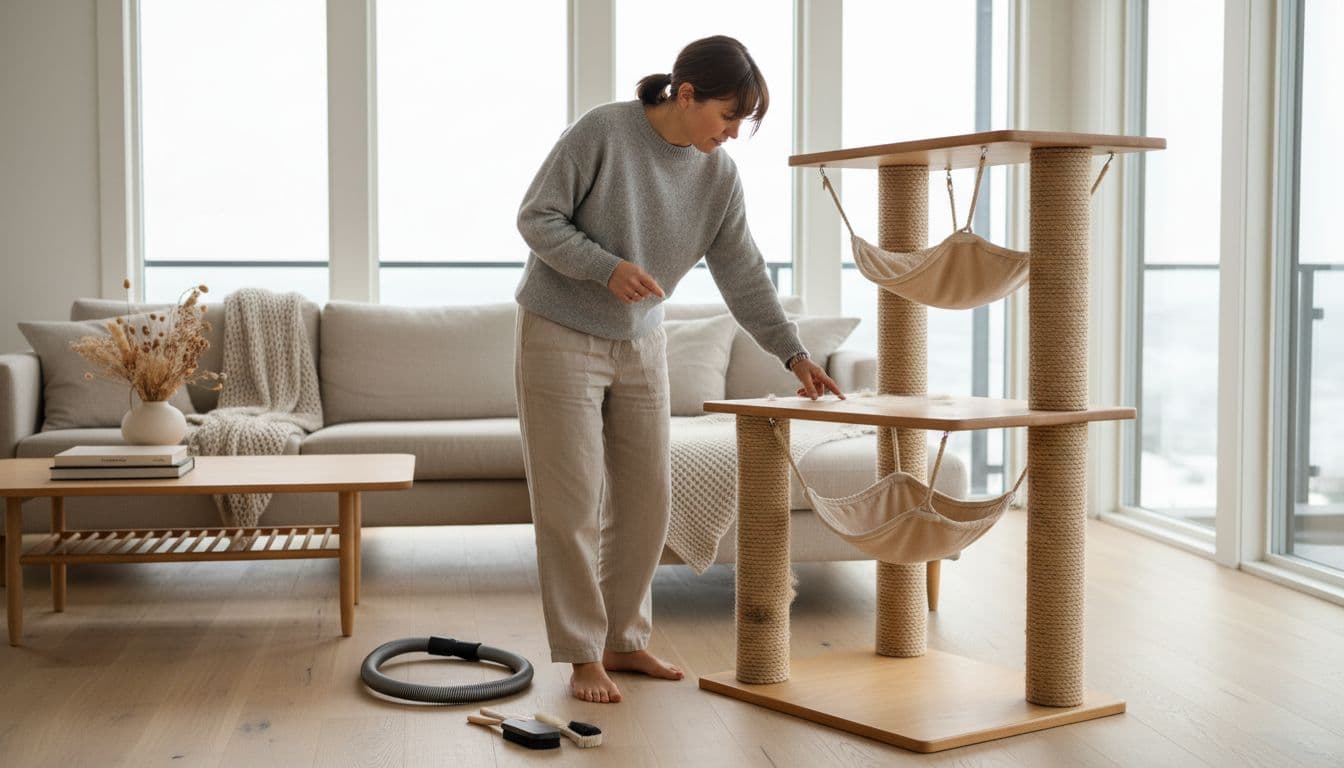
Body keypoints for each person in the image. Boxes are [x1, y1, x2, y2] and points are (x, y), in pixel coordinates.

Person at [514, 35, 843, 704]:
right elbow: (536, 218)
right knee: (571, 505)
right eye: (727, 116)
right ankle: (582, 655)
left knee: (647, 501)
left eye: (742, 123)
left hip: (641, 343)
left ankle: (625, 641)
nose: (732, 134)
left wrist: (794, 352)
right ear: (685, 94)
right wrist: (607, 268)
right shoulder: (604, 131)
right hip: (560, 334)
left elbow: (743, 273)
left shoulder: (718, 176)